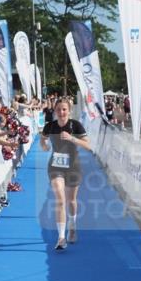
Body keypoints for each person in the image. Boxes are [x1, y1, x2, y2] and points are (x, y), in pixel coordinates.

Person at [40, 99, 91, 251]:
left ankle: (72, 226)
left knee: (71, 201)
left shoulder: (76, 125)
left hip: (73, 167)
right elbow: (43, 140)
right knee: (60, 200)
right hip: (55, 167)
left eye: (64, 109)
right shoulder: (50, 126)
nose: (61, 112)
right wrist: (44, 145)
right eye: (58, 109)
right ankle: (61, 237)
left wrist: (72, 138)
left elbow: (88, 146)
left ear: (69, 111)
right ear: (55, 111)